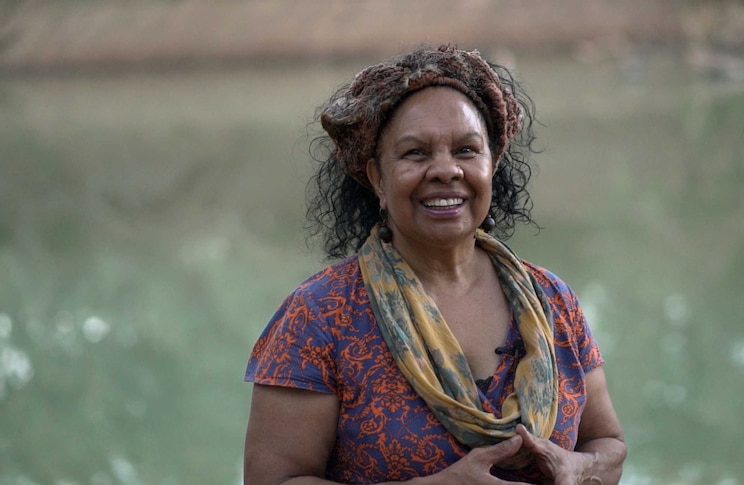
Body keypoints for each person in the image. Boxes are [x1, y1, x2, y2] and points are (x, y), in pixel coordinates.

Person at [243, 44, 626, 484]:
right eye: (415, 153)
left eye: (466, 150)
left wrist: (580, 469)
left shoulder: (553, 301)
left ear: (492, 164)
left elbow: (608, 445)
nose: (446, 170)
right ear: (376, 179)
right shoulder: (319, 317)